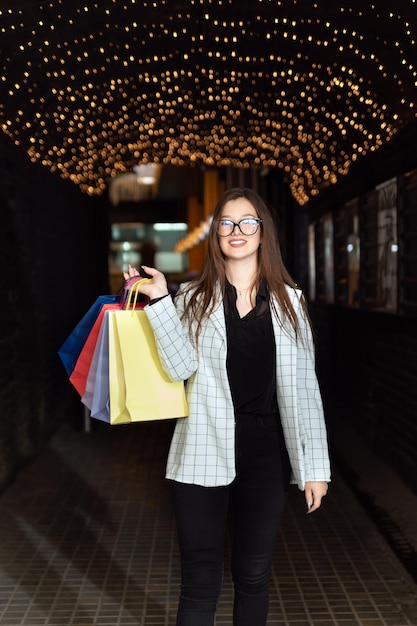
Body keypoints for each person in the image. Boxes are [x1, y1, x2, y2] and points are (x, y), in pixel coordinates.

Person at [124, 187, 330, 626]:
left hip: (266, 453)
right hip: (202, 446)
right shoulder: (192, 299)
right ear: (216, 234)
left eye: (247, 222)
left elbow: (305, 389)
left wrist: (314, 467)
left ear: (262, 232)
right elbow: (179, 369)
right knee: (199, 581)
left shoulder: (290, 303)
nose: (237, 231)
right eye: (227, 223)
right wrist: (161, 300)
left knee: (253, 575)